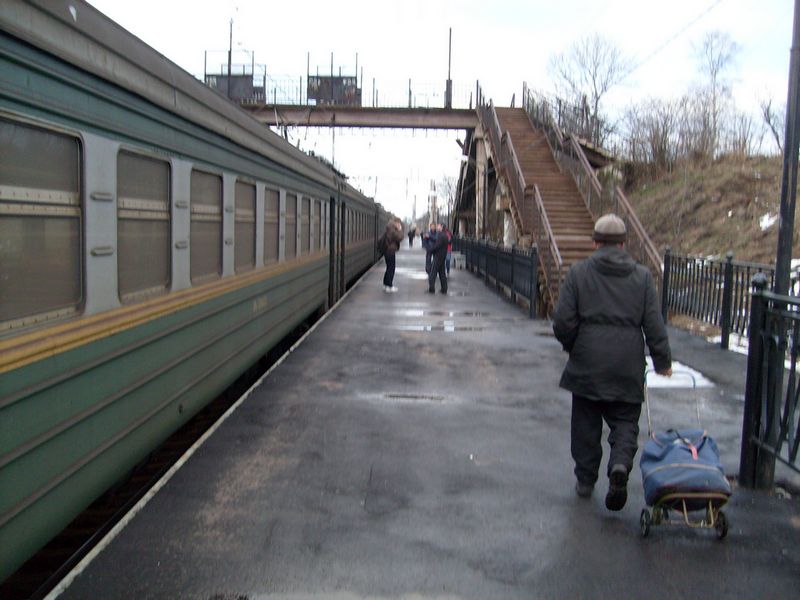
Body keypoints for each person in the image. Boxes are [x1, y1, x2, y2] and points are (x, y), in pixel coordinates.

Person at [552, 214, 672, 511]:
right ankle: (619, 464)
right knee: (625, 422)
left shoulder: (579, 273)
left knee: (586, 424)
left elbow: (562, 322)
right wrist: (662, 362)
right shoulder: (642, 277)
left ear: (594, 242)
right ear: (623, 243)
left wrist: (573, 346)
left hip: (588, 363)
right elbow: (654, 325)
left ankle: (585, 480)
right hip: (627, 364)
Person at [382, 218, 404, 293]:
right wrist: (400, 229)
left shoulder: (389, 227)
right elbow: (399, 238)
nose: (399, 225)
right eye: (399, 223)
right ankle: (389, 286)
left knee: (388, 268)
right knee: (391, 268)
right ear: (396, 223)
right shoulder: (392, 229)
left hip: (387, 251)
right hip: (390, 251)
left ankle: (385, 285)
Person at [428, 223, 449, 294]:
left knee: (433, 272)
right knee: (442, 273)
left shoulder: (441, 235)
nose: (437, 227)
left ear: (442, 227)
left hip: (438, 256)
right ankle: (444, 289)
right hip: (443, 256)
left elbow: (437, 246)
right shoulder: (445, 235)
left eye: (438, 226)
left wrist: (430, 250)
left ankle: (431, 288)